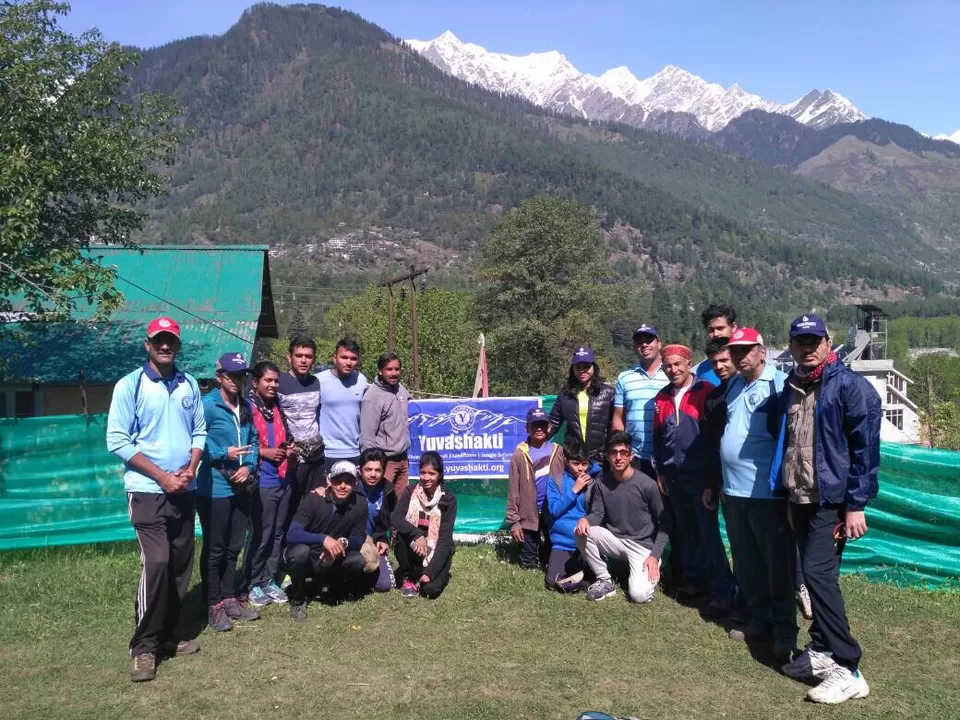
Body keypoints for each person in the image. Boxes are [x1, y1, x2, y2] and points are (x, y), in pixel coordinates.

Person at [774, 314, 880, 704]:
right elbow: (790, 445)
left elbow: (865, 452)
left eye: (814, 340)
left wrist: (855, 505)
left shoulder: (850, 388)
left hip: (832, 503)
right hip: (801, 497)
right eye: (800, 341)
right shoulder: (792, 385)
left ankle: (848, 666)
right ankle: (819, 650)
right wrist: (788, 496)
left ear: (827, 341)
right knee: (816, 573)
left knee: (817, 577)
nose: (807, 347)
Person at [106, 316, 206, 682]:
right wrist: (163, 476)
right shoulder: (129, 386)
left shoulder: (189, 384)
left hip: (184, 489)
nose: (165, 346)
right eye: (158, 341)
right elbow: (117, 440)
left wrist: (191, 468)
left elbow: (199, 430)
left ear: (178, 346)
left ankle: (168, 637)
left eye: (171, 341)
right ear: (147, 345)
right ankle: (143, 647)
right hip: (147, 491)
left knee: (180, 565)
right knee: (158, 563)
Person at [718, 327, 797, 661]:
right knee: (747, 563)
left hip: (766, 492)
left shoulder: (779, 385)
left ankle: (784, 632)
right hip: (733, 490)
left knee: (777, 566)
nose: (740, 356)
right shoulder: (734, 385)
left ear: (762, 351)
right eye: (735, 351)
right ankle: (760, 619)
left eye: (747, 350)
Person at [652, 344, 735, 616]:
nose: (673, 370)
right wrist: (661, 472)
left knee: (708, 533)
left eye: (678, 364)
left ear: (689, 364)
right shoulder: (661, 398)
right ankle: (696, 582)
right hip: (673, 477)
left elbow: (714, 440)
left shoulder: (706, 393)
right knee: (686, 532)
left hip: (700, 476)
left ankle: (722, 589)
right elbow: (657, 438)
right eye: (668, 365)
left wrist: (713, 480)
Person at [196, 353, 261, 632]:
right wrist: (224, 452)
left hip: (241, 484)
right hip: (215, 486)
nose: (236, 380)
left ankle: (229, 596)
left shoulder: (244, 405)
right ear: (219, 375)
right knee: (216, 547)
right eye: (231, 375)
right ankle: (213, 604)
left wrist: (249, 466)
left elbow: (255, 441)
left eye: (240, 376)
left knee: (235, 543)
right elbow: (195, 440)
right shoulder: (207, 405)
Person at [575, 432, 670, 604]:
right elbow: (598, 514)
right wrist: (585, 520)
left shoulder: (647, 484)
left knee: (638, 596)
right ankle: (605, 581)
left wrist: (655, 555)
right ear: (607, 456)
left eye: (623, 452)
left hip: (643, 547)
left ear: (631, 455)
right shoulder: (601, 483)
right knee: (581, 530)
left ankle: (654, 570)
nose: (618, 457)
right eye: (613, 452)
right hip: (616, 541)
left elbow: (665, 522)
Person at [284, 460, 369, 620]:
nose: (343, 486)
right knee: (300, 552)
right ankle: (298, 599)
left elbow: (358, 538)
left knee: (357, 560)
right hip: (308, 554)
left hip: (333, 557)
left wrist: (341, 544)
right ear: (329, 480)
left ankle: (333, 589)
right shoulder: (313, 499)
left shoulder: (360, 503)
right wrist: (323, 539)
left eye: (348, 481)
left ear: (355, 482)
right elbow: (292, 534)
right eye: (338, 480)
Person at [245, 361, 294, 607]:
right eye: (268, 380)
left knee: (277, 533)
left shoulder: (277, 407)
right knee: (261, 534)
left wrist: (289, 448)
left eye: (276, 381)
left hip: (284, 478)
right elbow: (244, 442)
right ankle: (252, 582)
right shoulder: (248, 408)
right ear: (256, 382)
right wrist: (265, 452)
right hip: (262, 480)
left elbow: (285, 437)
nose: (273, 385)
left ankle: (269, 579)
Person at [391, 451, 457, 599]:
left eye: (431, 473)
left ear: (439, 475)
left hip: (436, 545)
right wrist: (417, 534)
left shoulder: (449, 499)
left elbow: (445, 539)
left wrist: (431, 572)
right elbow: (395, 517)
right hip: (414, 543)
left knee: (430, 590)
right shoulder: (410, 492)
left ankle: (433, 570)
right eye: (422, 473)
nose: (426, 478)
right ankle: (409, 575)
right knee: (402, 535)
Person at [506, 407, 565, 568]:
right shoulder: (519, 454)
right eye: (534, 425)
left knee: (554, 559)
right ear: (527, 428)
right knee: (528, 563)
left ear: (550, 428)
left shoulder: (558, 451)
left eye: (542, 425)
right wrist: (514, 522)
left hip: (553, 512)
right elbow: (513, 490)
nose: (539, 429)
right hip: (528, 515)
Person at [612, 323, 669, 476]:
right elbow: (618, 417)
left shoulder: (672, 373)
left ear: (659, 343)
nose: (644, 344)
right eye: (639, 342)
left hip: (667, 455)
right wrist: (621, 450)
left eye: (649, 340)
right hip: (635, 456)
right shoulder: (625, 377)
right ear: (634, 347)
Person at [545, 440, 600, 591]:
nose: (581, 468)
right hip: (562, 543)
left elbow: (598, 512)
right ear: (566, 460)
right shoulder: (556, 480)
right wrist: (574, 490)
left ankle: (583, 577)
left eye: (584, 463)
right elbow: (554, 510)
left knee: (598, 575)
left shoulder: (596, 481)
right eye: (576, 463)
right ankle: (582, 580)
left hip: (587, 540)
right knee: (551, 582)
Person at [548, 346, 615, 463]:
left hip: (601, 459)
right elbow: (553, 423)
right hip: (574, 458)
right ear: (572, 369)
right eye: (578, 367)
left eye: (586, 366)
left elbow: (615, 425)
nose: (582, 370)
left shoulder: (608, 392)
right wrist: (532, 443)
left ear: (594, 367)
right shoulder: (565, 394)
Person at [277, 335, 324, 497]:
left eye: (308, 356)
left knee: (314, 504)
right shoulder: (279, 383)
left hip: (316, 457)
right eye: (299, 355)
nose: (303, 360)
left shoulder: (316, 383)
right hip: (292, 458)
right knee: (290, 507)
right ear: (289, 357)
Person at [359, 353, 412, 497]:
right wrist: (373, 465)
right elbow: (367, 435)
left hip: (403, 459)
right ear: (380, 371)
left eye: (397, 369)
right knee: (382, 502)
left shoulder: (400, 389)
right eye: (389, 369)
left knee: (401, 503)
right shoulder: (372, 397)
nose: (394, 373)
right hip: (385, 461)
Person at [316, 338, 368, 478]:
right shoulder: (318, 381)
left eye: (353, 358)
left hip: (355, 452)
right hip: (327, 453)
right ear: (334, 358)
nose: (349, 362)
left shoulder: (361, 380)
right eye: (344, 357)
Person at [356, 448, 397, 593]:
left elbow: (390, 522)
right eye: (368, 469)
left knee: (385, 585)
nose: (373, 474)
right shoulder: (350, 487)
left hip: (374, 542)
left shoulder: (388, 491)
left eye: (378, 470)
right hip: (352, 540)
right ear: (360, 470)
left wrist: (385, 539)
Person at [695, 304, 738, 385]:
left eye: (720, 328)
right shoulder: (703, 369)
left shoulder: (745, 361)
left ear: (733, 327)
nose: (716, 334)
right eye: (711, 330)